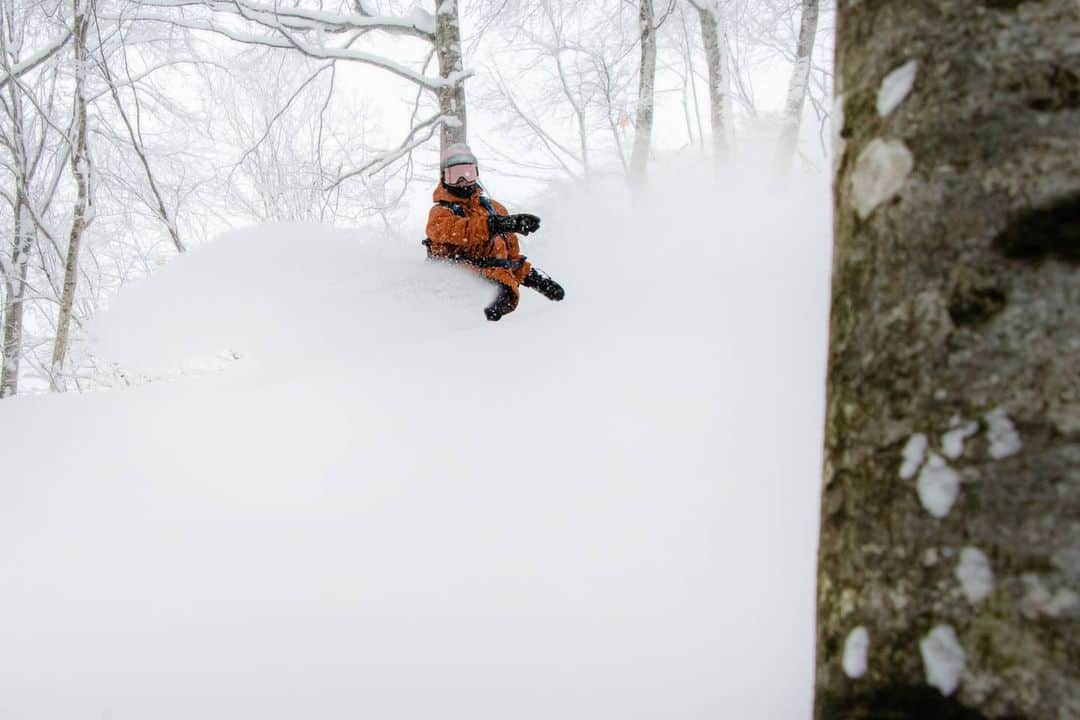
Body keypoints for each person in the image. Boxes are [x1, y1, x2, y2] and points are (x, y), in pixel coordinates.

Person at [425, 143, 565, 321]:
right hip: (457, 281)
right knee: (499, 288)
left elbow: (509, 258)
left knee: (504, 289)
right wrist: (497, 225)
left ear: (476, 174)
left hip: (499, 284)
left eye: (467, 174)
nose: (462, 181)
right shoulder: (441, 212)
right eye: (455, 176)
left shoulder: (494, 208)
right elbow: (459, 231)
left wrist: (536, 281)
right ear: (444, 178)